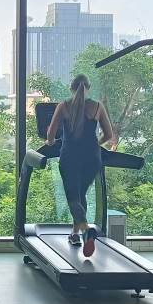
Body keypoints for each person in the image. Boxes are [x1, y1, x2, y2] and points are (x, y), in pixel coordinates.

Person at [45, 74, 116, 257]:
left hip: (70, 157)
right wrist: (95, 144)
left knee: (73, 198)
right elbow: (108, 135)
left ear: (72, 88)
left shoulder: (63, 106)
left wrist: (50, 142)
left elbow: (51, 134)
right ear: (88, 88)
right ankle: (75, 234)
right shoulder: (97, 106)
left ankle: (85, 230)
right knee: (80, 194)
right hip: (92, 158)